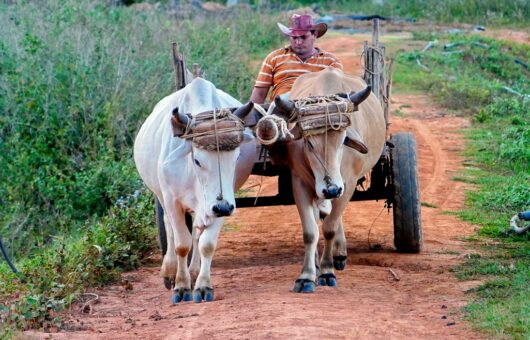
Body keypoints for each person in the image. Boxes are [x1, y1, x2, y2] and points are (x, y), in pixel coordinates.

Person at [250, 14, 343, 104]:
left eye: (303, 37)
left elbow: (338, 93)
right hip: (281, 110)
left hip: (317, 108)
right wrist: (251, 113)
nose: (298, 42)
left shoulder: (331, 62)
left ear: (314, 34)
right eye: (294, 37)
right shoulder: (274, 58)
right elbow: (259, 93)